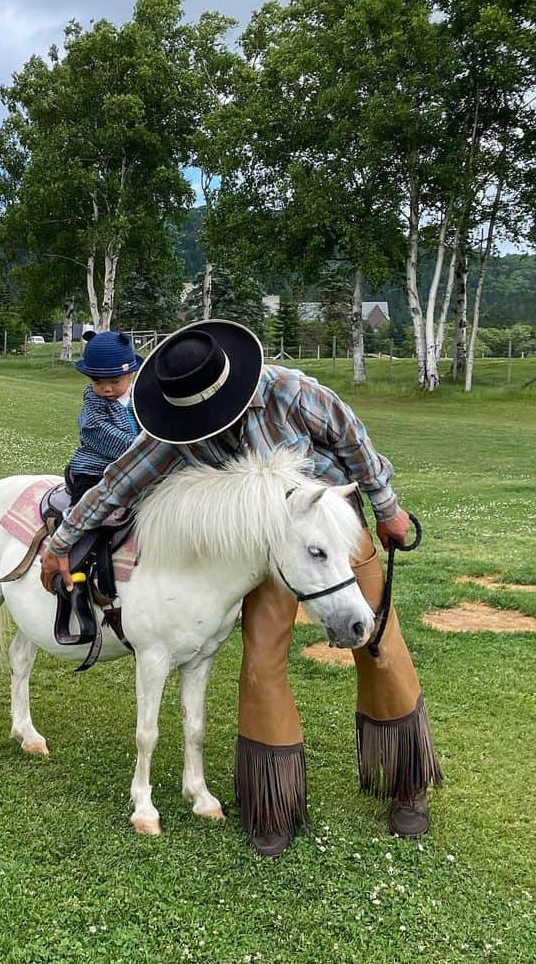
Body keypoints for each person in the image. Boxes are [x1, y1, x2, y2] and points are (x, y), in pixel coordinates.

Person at [41, 319, 441, 858]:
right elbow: (118, 483)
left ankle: (406, 782)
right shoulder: (172, 425)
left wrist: (387, 507)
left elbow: (353, 439)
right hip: (257, 554)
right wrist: (62, 541)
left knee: (381, 647)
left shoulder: (288, 391)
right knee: (261, 666)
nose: (203, 428)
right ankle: (273, 801)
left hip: (330, 531)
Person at [65, 330, 144, 501]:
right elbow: (98, 430)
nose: (106, 389)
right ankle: (73, 526)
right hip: (96, 467)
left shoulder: (140, 397)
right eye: (97, 382)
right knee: (87, 501)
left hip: (137, 466)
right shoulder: (94, 402)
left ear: (131, 375)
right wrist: (142, 448)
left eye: (115, 381)